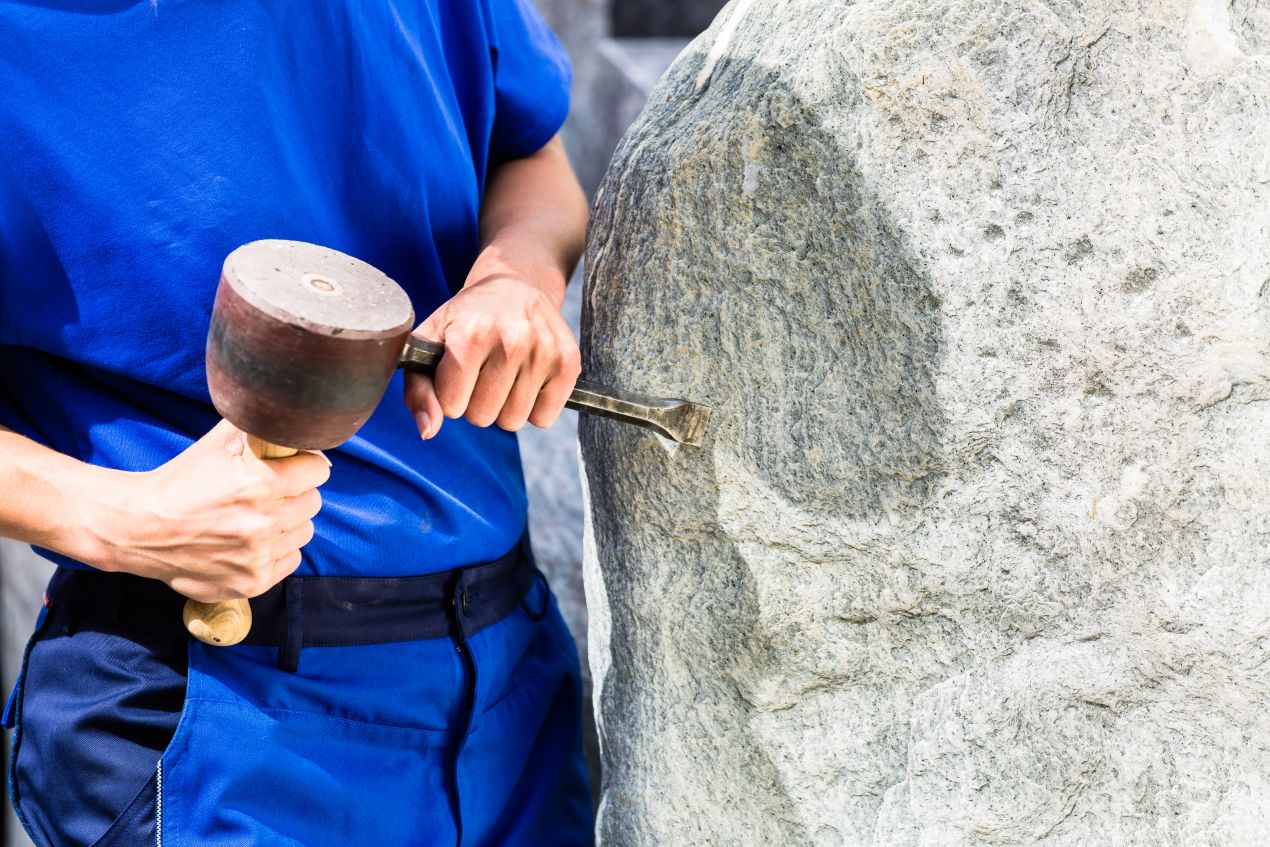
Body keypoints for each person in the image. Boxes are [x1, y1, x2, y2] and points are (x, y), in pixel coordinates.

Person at [0, 1, 592, 845]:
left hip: (510, 681)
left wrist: (517, 277)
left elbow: (527, 149)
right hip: (214, 715)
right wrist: (116, 517)